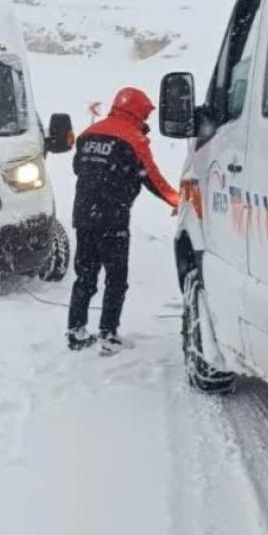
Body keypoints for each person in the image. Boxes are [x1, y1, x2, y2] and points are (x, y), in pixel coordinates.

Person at [67, 87, 180, 354]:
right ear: (138, 111)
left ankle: (75, 331)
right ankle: (108, 333)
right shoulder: (132, 139)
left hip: (83, 216)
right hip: (112, 220)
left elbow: (77, 168)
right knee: (116, 279)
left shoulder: (87, 136)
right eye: (145, 116)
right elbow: (152, 179)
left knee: (85, 277)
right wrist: (178, 200)